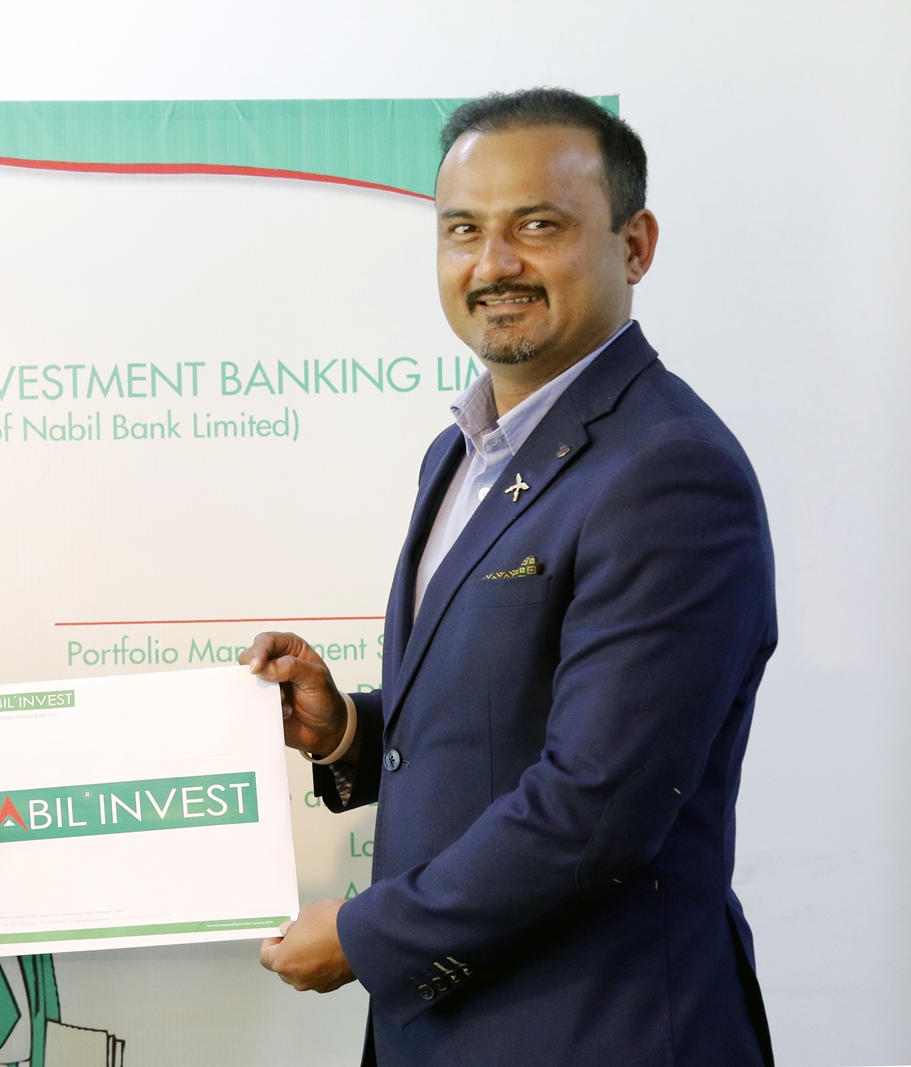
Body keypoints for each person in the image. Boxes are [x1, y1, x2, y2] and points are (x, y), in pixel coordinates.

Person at [245, 89, 776, 1066]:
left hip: (599, 1030)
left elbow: (597, 804)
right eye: (463, 230)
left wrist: (364, 934)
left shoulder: (667, 469)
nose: (492, 264)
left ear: (634, 245)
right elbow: (504, 717)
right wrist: (349, 729)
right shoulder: (459, 452)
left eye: (537, 225)